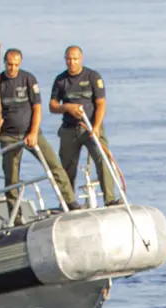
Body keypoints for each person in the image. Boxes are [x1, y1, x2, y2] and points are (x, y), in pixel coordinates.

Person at [0, 48, 84, 224]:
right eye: (9, 64)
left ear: (20, 63)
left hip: (31, 133)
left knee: (53, 164)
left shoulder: (28, 79)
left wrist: (32, 132)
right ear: (4, 63)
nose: (12, 68)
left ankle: (70, 201)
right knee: (12, 178)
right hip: (8, 137)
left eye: (15, 65)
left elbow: (37, 108)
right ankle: (15, 216)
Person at [49, 45, 123, 207]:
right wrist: (67, 107)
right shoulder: (60, 80)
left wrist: (96, 126)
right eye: (68, 59)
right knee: (67, 166)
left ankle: (110, 199)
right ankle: (68, 202)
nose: (72, 62)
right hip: (69, 129)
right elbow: (52, 105)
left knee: (102, 160)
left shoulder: (92, 77)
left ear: (81, 59)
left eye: (75, 59)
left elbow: (101, 103)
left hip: (91, 127)